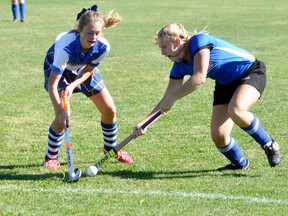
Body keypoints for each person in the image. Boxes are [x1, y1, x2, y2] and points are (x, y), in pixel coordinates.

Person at [134, 23, 281, 171]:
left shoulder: (199, 41)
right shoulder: (178, 66)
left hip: (250, 72)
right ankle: (240, 164)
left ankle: (269, 144)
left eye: (163, 47)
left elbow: (199, 78)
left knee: (236, 110)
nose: (162, 53)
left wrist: (172, 98)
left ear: (177, 42)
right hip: (225, 84)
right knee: (219, 135)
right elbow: (165, 101)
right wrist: (144, 123)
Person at [43, 5, 133, 171]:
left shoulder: (103, 47)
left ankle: (110, 148)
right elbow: (52, 84)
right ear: (80, 30)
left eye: (97, 33)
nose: (94, 37)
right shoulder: (65, 47)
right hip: (59, 70)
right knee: (64, 116)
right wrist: (60, 111)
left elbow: (88, 71)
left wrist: (73, 85)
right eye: (89, 33)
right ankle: (51, 157)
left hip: (82, 69)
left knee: (109, 109)